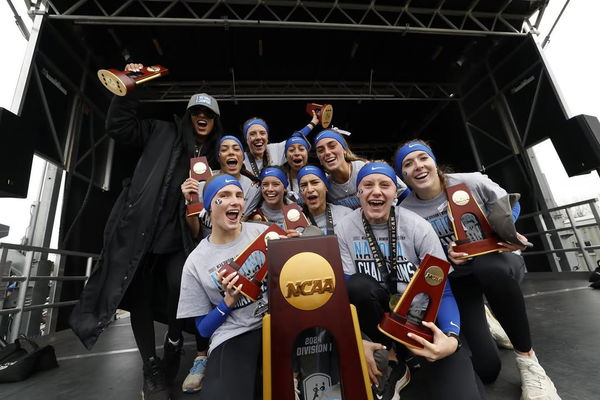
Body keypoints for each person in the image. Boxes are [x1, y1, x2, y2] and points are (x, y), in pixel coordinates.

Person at [69, 63, 220, 399]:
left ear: (214, 122)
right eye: (196, 111)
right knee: (139, 299)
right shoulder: (160, 131)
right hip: (138, 229)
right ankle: (151, 366)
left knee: (181, 285)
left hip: (179, 236)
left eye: (208, 114)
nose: (201, 117)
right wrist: (128, 89)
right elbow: (119, 127)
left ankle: (174, 339)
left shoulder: (213, 156)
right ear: (188, 115)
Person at [395, 140, 560, 400]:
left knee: (489, 268)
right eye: (408, 163)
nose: (418, 166)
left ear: (434, 162)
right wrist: (447, 259)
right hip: (459, 281)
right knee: (486, 369)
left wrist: (497, 234)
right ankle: (485, 315)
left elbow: (511, 205)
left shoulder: (468, 182)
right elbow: (420, 260)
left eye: (422, 158)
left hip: (497, 264)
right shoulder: (404, 211)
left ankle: (530, 365)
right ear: (402, 175)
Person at [336, 162, 483, 400]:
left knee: (471, 385)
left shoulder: (417, 226)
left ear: (395, 193)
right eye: (368, 185)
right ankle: (394, 360)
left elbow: (443, 291)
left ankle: (413, 354)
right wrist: (357, 340)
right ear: (358, 193)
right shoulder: (344, 228)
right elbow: (345, 291)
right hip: (377, 317)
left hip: (419, 316)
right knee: (358, 285)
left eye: (385, 185)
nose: (376, 191)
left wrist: (450, 337)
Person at [177, 174, 275, 400]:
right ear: (210, 205)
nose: (235, 201)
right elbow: (202, 329)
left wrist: (294, 251)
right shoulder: (196, 262)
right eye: (224, 195)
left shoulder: (264, 234)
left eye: (239, 195)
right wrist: (227, 302)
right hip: (234, 333)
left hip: (275, 324)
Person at [181, 135, 261, 239]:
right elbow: (195, 233)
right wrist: (190, 201)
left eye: (236, 149)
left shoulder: (252, 188)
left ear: (243, 157)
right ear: (218, 157)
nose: (231, 152)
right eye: (224, 149)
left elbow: (235, 230)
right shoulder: (203, 181)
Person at [313, 130, 408, 209]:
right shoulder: (325, 186)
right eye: (321, 150)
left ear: (344, 150)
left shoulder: (367, 169)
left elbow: (404, 193)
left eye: (332, 146)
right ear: (319, 158)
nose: (327, 152)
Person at [242, 112, 319, 176]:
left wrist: (313, 122)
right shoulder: (241, 158)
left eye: (262, 133)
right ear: (246, 139)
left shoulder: (275, 149)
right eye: (252, 134)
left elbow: (296, 136)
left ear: (267, 137)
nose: (258, 137)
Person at [297, 165, 352, 234]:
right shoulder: (296, 222)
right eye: (304, 185)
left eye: (315, 183)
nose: (310, 189)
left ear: (326, 186)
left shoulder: (345, 214)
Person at [282, 134, 311, 203]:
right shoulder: (280, 180)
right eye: (291, 150)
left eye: (301, 149)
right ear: (286, 156)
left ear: (307, 154)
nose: (297, 153)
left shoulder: (319, 177)